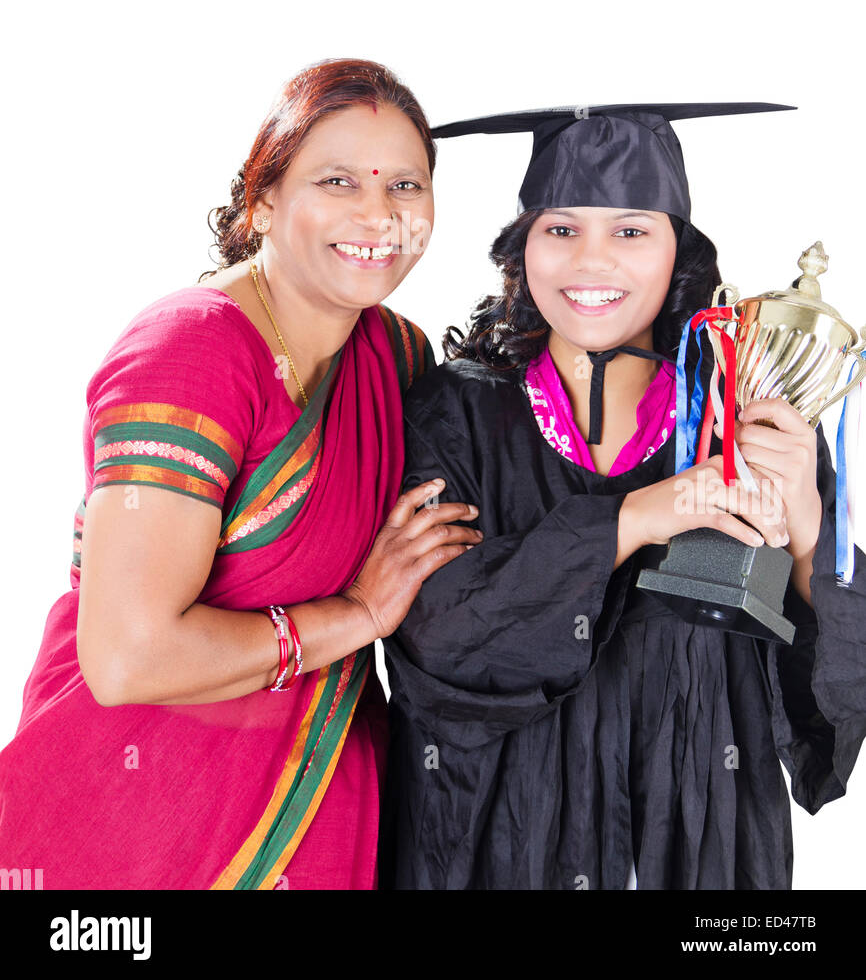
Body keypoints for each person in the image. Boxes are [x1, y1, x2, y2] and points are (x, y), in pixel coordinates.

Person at [0, 58, 481, 890]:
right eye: (338, 180)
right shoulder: (189, 354)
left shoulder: (397, 355)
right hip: (136, 811)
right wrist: (355, 615)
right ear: (262, 202)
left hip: (317, 797)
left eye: (405, 186)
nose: (378, 214)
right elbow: (126, 659)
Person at [380, 102, 866, 890]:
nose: (591, 263)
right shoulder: (451, 412)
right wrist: (644, 513)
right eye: (561, 229)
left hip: (700, 837)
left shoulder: (742, 416)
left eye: (631, 231)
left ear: (680, 252)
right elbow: (440, 634)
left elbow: (838, 685)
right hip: (497, 836)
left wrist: (809, 526)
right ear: (522, 246)